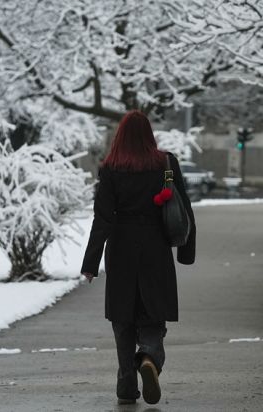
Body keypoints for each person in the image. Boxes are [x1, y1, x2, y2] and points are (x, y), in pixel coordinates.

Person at [81, 110, 196, 405]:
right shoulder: (165, 163)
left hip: (120, 248)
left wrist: (90, 263)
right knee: (152, 315)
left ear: (119, 136)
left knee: (122, 318)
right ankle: (148, 357)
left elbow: (102, 218)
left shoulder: (110, 169)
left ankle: (126, 386)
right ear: (149, 135)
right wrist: (186, 251)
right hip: (155, 247)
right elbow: (183, 207)